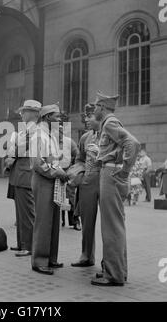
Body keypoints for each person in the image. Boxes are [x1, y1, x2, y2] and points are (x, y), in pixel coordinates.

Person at [91, 91, 140, 286]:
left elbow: (132, 143)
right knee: (115, 225)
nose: (94, 109)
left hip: (110, 175)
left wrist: (126, 170)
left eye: (95, 106)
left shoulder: (110, 122)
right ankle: (118, 270)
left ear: (102, 107)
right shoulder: (109, 123)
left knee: (111, 227)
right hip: (111, 174)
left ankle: (114, 275)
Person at [31, 104, 69, 275]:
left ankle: (51, 258)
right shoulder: (39, 135)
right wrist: (57, 171)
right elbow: (38, 164)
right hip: (43, 179)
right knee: (44, 221)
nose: (60, 119)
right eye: (57, 116)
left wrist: (58, 159)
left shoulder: (50, 135)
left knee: (53, 221)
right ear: (47, 117)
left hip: (52, 179)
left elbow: (49, 157)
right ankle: (39, 261)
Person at [5, 99, 41, 257]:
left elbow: (18, 148)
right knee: (20, 213)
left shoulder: (34, 129)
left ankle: (29, 246)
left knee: (27, 213)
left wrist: (12, 152)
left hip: (25, 173)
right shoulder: (26, 129)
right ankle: (22, 243)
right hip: (20, 173)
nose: (22, 113)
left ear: (34, 113)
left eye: (25, 111)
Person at [71, 103, 101, 268]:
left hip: (105, 181)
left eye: (90, 116)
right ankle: (86, 256)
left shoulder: (109, 134)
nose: (86, 119)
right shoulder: (85, 137)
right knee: (87, 221)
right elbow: (79, 159)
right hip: (87, 183)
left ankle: (109, 261)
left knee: (108, 224)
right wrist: (80, 174)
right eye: (85, 116)